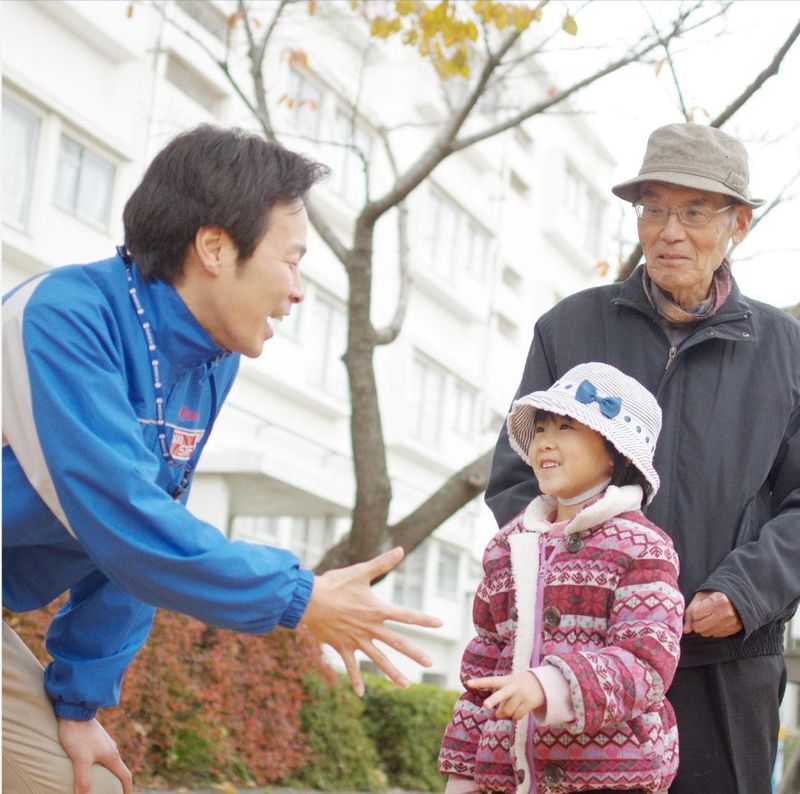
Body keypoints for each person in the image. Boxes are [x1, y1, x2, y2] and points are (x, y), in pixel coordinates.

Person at [2, 125, 442, 794]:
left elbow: (148, 528)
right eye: (290, 260)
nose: (297, 291)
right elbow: (125, 520)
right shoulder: (65, 319)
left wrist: (78, 703)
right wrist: (299, 596)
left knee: (82, 782)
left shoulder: (209, 361)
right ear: (213, 247)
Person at [485, 123, 800, 794]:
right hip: (579, 669)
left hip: (726, 662)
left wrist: (746, 593)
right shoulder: (570, 328)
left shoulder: (787, 350)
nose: (668, 231)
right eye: (653, 209)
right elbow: (517, 478)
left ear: (739, 223)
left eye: (694, 212)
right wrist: (581, 586)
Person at [440, 362, 683, 794]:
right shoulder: (507, 547)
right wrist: (463, 775)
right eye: (540, 429)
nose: (545, 442)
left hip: (611, 778)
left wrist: (552, 685)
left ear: (617, 450)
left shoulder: (643, 547)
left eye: (566, 427)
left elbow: (646, 663)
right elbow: (482, 667)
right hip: (507, 779)